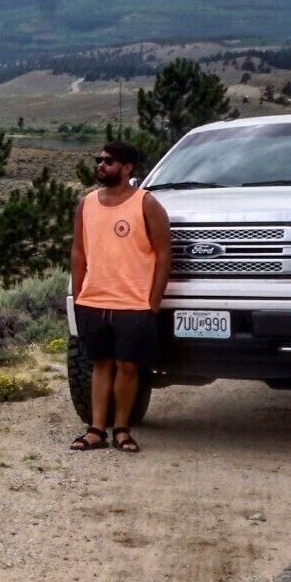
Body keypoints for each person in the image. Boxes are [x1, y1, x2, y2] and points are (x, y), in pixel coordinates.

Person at [69, 138, 171, 453]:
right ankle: (97, 429)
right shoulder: (86, 204)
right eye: (99, 160)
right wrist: (77, 294)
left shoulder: (146, 203)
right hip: (94, 300)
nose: (101, 165)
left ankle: (123, 429)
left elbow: (164, 252)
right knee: (101, 364)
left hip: (134, 302)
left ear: (127, 168)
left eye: (108, 161)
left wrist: (154, 300)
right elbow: (78, 251)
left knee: (128, 367)